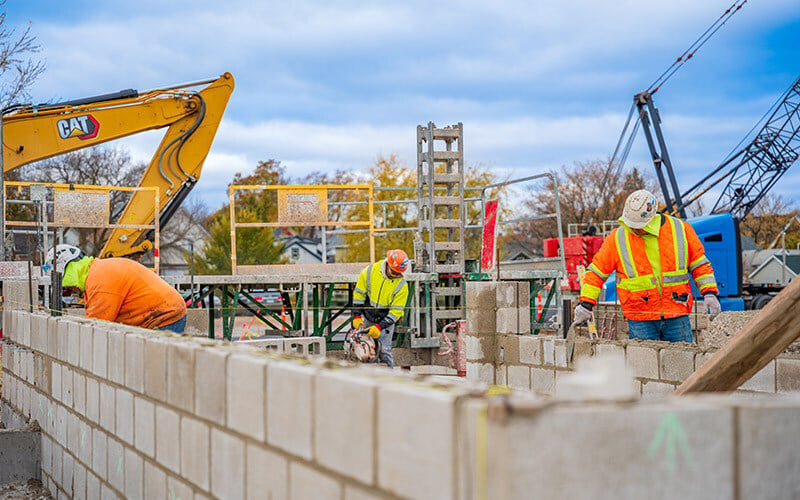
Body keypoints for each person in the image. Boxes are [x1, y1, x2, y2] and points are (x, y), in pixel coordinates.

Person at [574, 189, 721, 343]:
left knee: (682, 363)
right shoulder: (618, 238)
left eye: (639, 225)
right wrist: (586, 303)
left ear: (652, 216)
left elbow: (699, 264)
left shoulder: (680, 229)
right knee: (644, 364)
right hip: (640, 317)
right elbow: (596, 273)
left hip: (676, 314)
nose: (636, 229)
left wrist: (709, 292)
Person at [46, 244, 188, 333]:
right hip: (162, 314)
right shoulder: (97, 271)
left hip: (165, 318)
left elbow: (95, 328)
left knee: (151, 373)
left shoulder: (99, 281)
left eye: (63, 283)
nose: (67, 289)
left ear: (66, 270)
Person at [351, 249, 410, 368]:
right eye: (393, 272)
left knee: (384, 351)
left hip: (386, 319)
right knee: (368, 350)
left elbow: (395, 313)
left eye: (398, 273)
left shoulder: (402, 286)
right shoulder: (369, 272)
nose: (395, 275)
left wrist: (379, 327)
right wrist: (356, 316)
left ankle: (389, 377)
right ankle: (371, 379)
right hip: (368, 315)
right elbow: (359, 295)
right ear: (387, 263)